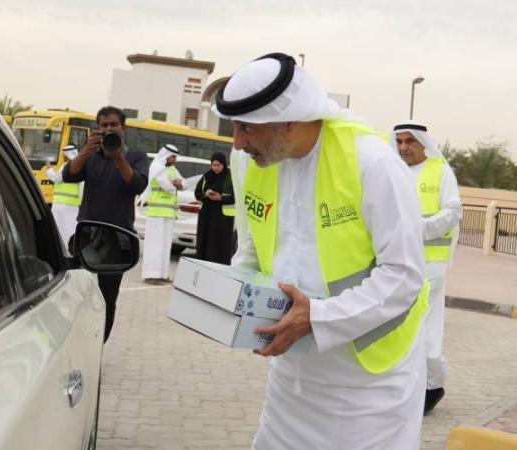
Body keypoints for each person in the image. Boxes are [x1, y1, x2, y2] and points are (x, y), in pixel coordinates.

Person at [215, 53, 430, 449]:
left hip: (368, 382)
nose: (238, 141)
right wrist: (226, 296)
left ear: (289, 120)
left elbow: (403, 276)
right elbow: (251, 249)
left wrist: (318, 316)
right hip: (293, 372)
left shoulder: (372, 161)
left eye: (247, 128)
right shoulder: (251, 163)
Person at [61, 106, 149, 342]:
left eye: (113, 125)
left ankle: (97, 347)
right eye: (104, 125)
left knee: (107, 299)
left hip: (117, 239)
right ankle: (75, 342)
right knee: (74, 293)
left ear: (123, 128)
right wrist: (86, 151)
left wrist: (118, 157)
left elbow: (137, 185)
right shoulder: (91, 157)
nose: (109, 129)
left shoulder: (136, 157)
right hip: (86, 236)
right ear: (97, 128)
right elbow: (69, 175)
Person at [393, 120, 462, 415]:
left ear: (424, 143)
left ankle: (431, 386)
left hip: (429, 266)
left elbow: (453, 211)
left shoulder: (440, 171)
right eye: (400, 142)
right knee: (397, 328)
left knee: (426, 329)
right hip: (395, 262)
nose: (404, 147)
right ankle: (403, 385)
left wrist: (417, 229)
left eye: (410, 141)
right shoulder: (393, 172)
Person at [141, 144, 184, 283]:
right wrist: (176, 184)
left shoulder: (172, 169)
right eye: (173, 156)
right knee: (155, 245)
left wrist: (179, 184)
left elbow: (184, 184)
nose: (175, 159)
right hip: (156, 213)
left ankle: (162, 275)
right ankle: (150, 275)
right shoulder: (157, 168)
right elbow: (167, 187)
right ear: (166, 156)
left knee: (165, 246)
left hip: (169, 213)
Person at [195, 152, 235, 264]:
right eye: (214, 165)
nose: (216, 168)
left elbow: (236, 197)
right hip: (207, 215)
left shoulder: (230, 177)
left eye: (218, 165)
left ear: (224, 164)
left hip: (223, 218)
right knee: (205, 241)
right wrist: (206, 194)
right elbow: (197, 193)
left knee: (220, 244)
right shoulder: (206, 176)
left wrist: (221, 198)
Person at [44, 144, 83, 248]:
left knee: (59, 230)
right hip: (72, 205)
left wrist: (48, 169)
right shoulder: (80, 166)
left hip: (61, 205)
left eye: (64, 154)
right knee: (70, 229)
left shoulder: (68, 166)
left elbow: (56, 178)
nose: (63, 157)